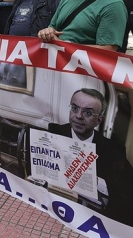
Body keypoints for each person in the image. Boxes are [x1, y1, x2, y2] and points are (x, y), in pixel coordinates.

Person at [49, 88, 133, 224]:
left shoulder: (114, 151)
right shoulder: (52, 134)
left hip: (91, 219)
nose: (79, 116)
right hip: (53, 211)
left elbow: (127, 194)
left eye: (88, 112)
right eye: (75, 108)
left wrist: (99, 185)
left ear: (99, 120)